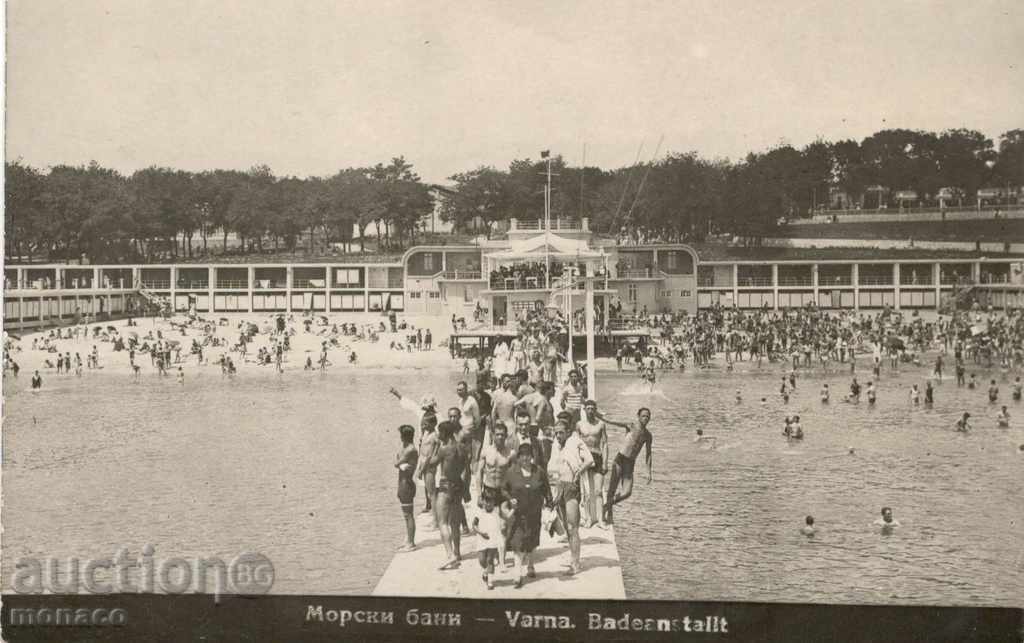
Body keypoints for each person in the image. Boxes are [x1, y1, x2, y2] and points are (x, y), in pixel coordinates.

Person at [501, 441, 550, 588]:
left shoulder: (539, 471)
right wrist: (510, 499)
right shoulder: (511, 472)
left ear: (532, 457)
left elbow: (546, 489)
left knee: (531, 542)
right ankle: (517, 575)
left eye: (528, 456)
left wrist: (549, 504)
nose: (525, 459)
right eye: (522, 456)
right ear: (518, 457)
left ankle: (530, 564)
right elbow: (503, 489)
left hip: (534, 514)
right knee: (517, 544)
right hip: (518, 514)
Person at [547, 418, 593, 575]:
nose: (558, 435)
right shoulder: (556, 445)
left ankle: (576, 564)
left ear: (568, 432)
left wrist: (579, 470)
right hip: (560, 486)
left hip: (572, 488)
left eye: (561, 432)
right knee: (567, 527)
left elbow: (590, 460)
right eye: (556, 432)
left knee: (573, 527)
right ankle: (573, 558)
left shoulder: (575, 442)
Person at [600, 407, 654, 524]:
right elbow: (613, 422)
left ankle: (605, 506)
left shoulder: (648, 435)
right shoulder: (631, 425)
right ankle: (609, 515)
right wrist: (600, 418)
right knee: (612, 490)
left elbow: (648, 454)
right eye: (643, 416)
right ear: (638, 416)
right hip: (620, 459)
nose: (646, 418)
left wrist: (648, 471)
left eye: (648, 416)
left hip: (630, 463)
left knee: (627, 492)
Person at [429, 421, 468, 570]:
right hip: (458, 485)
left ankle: (450, 555)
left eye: (440, 432)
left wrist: (435, 447)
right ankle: (457, 553)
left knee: (443, 522)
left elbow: (432, 463)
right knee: (455, 523)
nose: (439, 435)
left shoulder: (444, 449)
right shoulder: (462, 448)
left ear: (445, 433)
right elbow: (466, 469)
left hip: (445, 486)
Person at [576, 399, 609, 528]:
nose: (590, 411)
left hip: (597, 456)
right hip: (584, 457)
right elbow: (577, 443)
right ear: (584, 410)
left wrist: (606, 462)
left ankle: (600, 520)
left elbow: (605, 443)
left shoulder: (601, 424)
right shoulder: (579, 425)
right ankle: (589, 518)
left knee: (598, 491)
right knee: (586, 492)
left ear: (595, 410)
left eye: (592, 409)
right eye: (588, 408)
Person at [395, 425, 419, 552]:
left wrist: (400, 463)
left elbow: (397, 463)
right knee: (406, 515)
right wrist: (400, 463)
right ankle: (408, 540)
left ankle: (411, 542)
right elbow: (399, 462)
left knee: (408, 515)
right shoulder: (406, 448)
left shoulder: (411, 450)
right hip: (403, 483)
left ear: (404, 436)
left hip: (407, 484)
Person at [472, 491, 503, 589]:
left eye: (491, 502)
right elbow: (474, 525)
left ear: (494, 502)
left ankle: (490, 582)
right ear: (483, 501)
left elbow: (502, 522)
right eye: (487, 501)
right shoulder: (479, 512)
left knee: (490, 560)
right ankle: (486, 571)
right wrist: (481, 533)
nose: (489, 504)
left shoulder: (496, 512)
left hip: (493, 540)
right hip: (482, 539)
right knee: (482, 560)